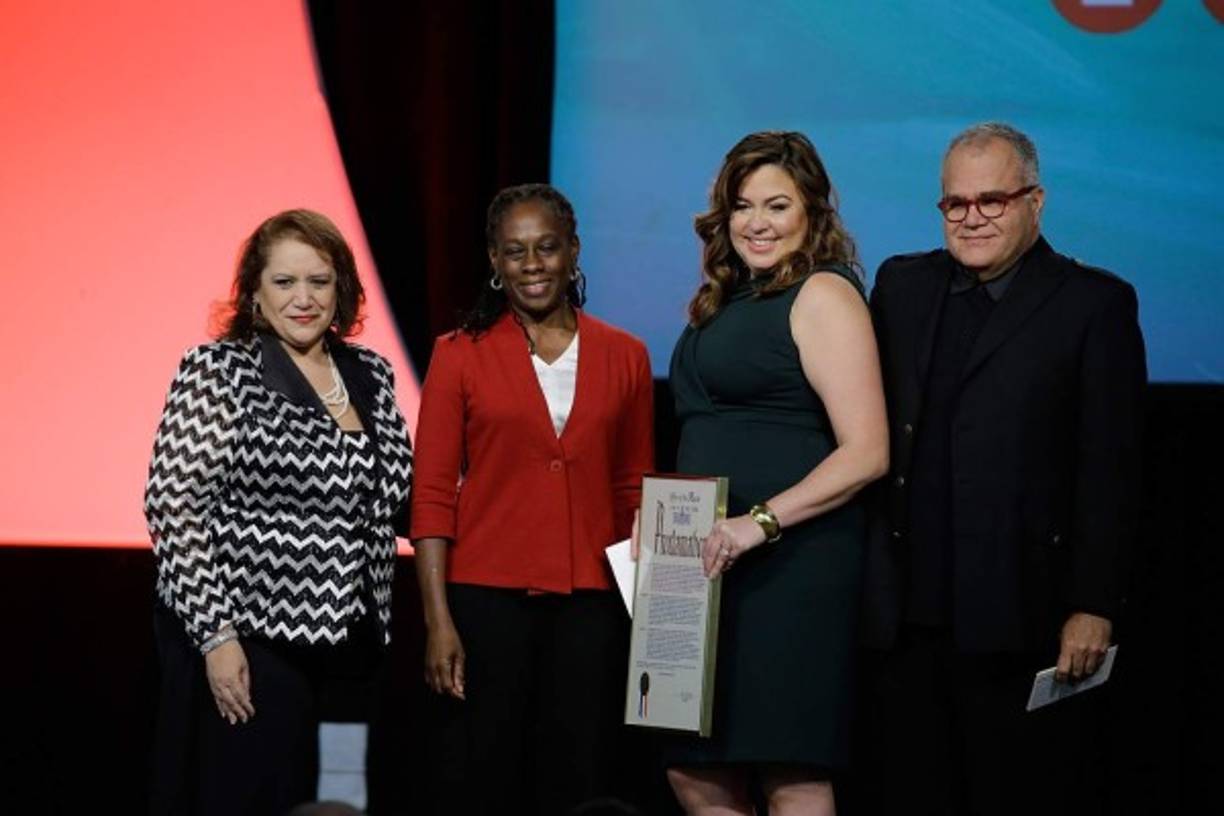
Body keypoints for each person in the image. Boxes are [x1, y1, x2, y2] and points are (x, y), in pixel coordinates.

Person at [859, 122, 1147, 815]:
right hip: (906, 618)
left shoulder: (1094, 304)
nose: (972, 218)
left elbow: (1111, 467)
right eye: (955, 203)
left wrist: (1094, 603)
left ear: (1035, 202)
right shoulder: (902, 286)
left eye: (993, 200)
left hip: (1022, 616)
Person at [144, 209, 413, 815]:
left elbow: (400, 497)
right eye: (284, 282)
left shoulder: (368, 373)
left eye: (318, 281)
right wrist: (217, 637)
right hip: (248, 637)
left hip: (343, 642)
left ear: (341, 288)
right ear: (255, 293)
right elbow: (173, 503)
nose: (303, 298)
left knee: (317, 799)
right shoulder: (220, 370)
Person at [410, 183, 655, 815]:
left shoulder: (626, 356)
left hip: (592, 607)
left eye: (547, 247)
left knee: (578, 776)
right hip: (485, 603)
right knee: (486, 777)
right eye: (515, 251)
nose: (532, 263)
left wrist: (649, 619)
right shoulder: (458, 354)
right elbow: (432, 495)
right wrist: (439, 623)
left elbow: (634, 487)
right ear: (494, 260)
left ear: (574, 251)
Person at [664, 131, 889, 815]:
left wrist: (759, 524)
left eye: (777, 205)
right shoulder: (728, 297)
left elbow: (867, 451)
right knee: (695, 770)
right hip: (709, 564)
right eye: (742, 205)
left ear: (812, 213)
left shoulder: (823, 293)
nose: (756, 222)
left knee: (788, 768)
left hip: (789, 567)